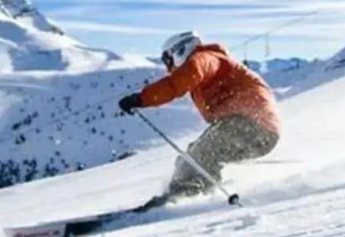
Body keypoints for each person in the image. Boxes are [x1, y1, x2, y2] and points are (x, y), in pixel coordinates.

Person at [119, 31, 281, 200]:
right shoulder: (212, 62)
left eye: (167, 59)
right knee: (189, 158)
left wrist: (141, 99)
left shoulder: (204, 58)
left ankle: (184, 196)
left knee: (198, 156)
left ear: (179, 51)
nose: (168, 66)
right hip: (260, 131)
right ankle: (198, 195)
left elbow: (176, 84)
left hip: (252, 124)